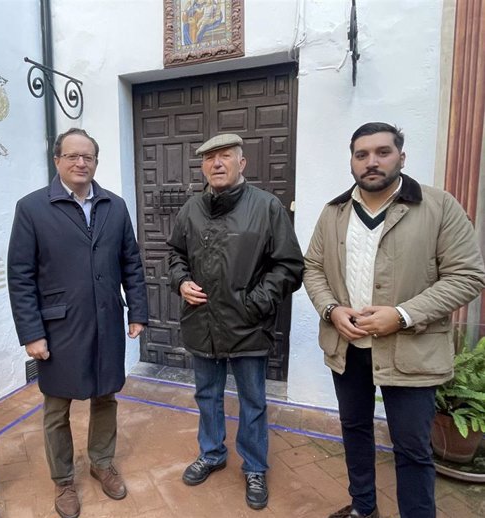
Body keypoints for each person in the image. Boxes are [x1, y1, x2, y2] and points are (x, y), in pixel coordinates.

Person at [303, 122, 485, 518]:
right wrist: (332, 310)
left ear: (401, 157)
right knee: (354, 431)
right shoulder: (334, 212)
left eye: (382, 152)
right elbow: (313, 267)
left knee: (412, 448)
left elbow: (469, 275)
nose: (372, 162)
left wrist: (402, 315)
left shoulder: (438, 207)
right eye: (362, 154)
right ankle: (364, 508)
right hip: (347, 346)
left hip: (410, 351)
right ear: (351, 161)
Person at [7, 128, 148, 518]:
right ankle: (64, 480)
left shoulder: (115, 206)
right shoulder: (32, 208)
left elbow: (130, 262)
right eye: (72, 156)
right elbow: (20, 275)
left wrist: (137, 310)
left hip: (105, 320)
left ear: (96, 162)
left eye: (88, 157)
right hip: (57, 328)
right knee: (57, 408)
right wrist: (31, 333)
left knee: (106, 396)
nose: (80, 163)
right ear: (57, 161)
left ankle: (102, 461)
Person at [167, 133, 304, 510]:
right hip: (202, 321)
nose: (217, 163)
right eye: (209, 158)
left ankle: (255, 467)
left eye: (225, 156)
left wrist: (255, 302)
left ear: (242, 163)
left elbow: (289, 265)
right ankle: (211, 453)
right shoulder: (191, 209)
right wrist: (181, 282)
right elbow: (176, 253)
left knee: (253, 401)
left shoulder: (267, 206)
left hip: (248, 324)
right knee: (207, 395)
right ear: (203, 167)